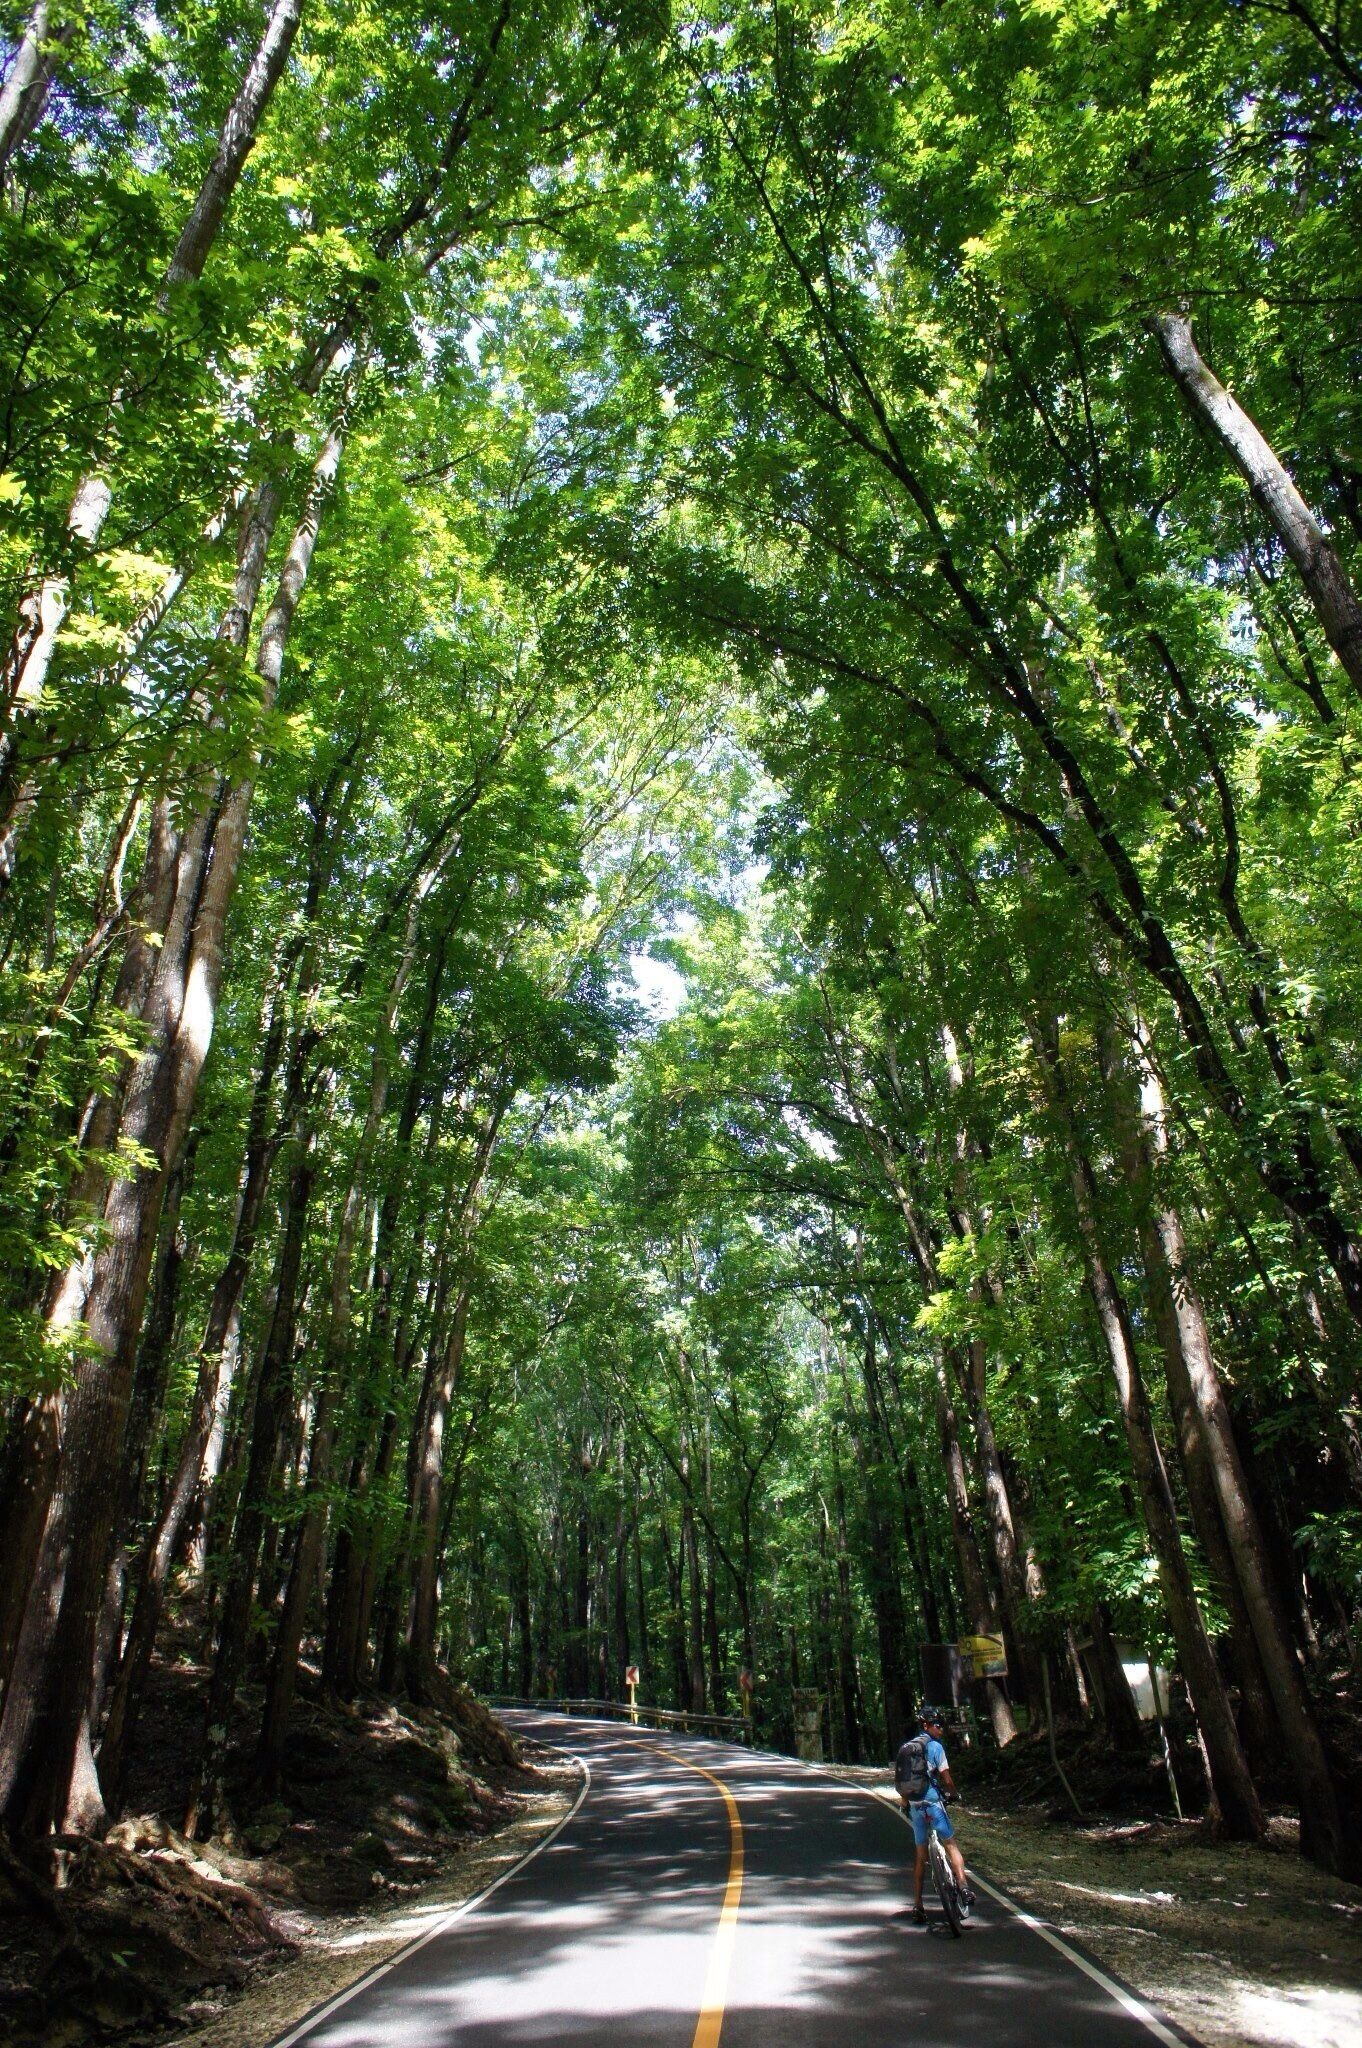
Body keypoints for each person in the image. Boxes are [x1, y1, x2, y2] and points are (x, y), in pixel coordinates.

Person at [894, 1704, 975, 1925]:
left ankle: (918, 1906)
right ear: (927, 1726)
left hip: (915, 1804)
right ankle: (964, 1887)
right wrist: (954, 1794)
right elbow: (946, 1779)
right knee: (950, 1844)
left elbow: (904, 1781)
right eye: (937, 1725)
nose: (940, 1729)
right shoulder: (936, 1747)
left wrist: (905, 1802)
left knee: (920, 1857)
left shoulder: (907, 1748)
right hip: (932, 1801)